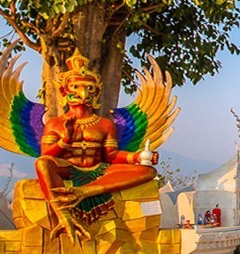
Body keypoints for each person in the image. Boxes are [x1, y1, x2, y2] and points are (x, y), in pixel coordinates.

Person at [35, 54, 157, 240]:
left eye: (89, 87)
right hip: (69, 169)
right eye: (76, 86)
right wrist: (64, 141)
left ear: (96, 92)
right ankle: (64, 214)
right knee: (43, 164)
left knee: (148, 171)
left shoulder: (105, 124)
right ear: (64, 90)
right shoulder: (55, 123)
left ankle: (84, 191)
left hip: (99, 170)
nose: (83, 92)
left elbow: (110, 155)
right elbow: (45, 155)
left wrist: (137, 157)